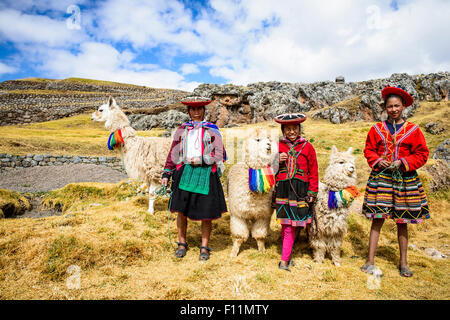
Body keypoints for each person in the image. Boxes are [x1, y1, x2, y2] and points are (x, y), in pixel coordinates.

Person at [361, 86, 430, 277]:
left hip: (405, 181)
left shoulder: (413, 130)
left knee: (402, 221)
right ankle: (370, 261)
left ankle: (404, 263)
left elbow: (422, 154)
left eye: (396, 106)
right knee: (377, 219)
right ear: (385, 107)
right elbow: (369, 150)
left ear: (403, 107)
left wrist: (404, 162)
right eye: (389, 106)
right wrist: (377, 160)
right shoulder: (376, 129)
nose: (393, 109)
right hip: (381, 178)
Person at [161, 97, 227, 261]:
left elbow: (220, 153)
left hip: (206, 173)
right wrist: (166, 173)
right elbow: (173, 153)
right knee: (181, 211)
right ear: (188, 111)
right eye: (193, 109)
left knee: (206, 212)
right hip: (184, 172)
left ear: (204, 111)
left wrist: (203, 159)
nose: (196, 113)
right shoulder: (182, 130)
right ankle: (182, 243)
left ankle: (204, 247)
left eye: (199, 109)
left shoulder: (212, 130)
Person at [273, 113, 318, 271]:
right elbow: (268, 170)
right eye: (288, 129)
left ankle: (288, 251)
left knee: (297, 224)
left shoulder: (307, 147)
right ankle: (284, 260)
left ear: (300, 129)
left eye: (295, 128)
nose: (292, 131)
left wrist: (312, 191)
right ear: (283, 130)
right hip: (284, 189)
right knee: (287, 225)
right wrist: (276, 160)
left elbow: (314, 170)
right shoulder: (277, 147)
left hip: (301, 190)